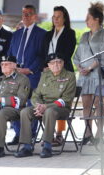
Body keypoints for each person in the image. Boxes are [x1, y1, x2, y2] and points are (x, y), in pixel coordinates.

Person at [14, 53, 76, 158]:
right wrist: (38, 106)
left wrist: (45, 107)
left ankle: (47, 146)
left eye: (59, 62)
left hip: (61, 108)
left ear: (63, 63)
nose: (56, 65)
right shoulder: (45, 75)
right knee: (25, 112)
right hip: (42, 106)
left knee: (49, 111)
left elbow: (66, 99)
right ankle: (27, 146)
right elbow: (36, 94)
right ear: (48, 65)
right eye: (53, 63)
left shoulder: (70, 76)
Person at [8, 4, 46, 145]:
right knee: (15, 104)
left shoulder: (41, 34)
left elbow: (42, 56)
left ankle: (30, 134)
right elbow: (10, 54)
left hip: (32, 75)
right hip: (16, 76)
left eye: (29, 14)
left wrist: (30, 69)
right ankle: (18, 134)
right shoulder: (16, 34)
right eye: (23, 14)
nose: (25, 16)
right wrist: (12, 67)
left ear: (35, 16)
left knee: (31, 105)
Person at [73, 2, 104, 145]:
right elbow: (77, 55)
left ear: (96, 19)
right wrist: (80, 67)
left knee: (99, 105)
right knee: (86, 105)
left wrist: (90, 68)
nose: (86, 21)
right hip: (84, 76)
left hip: (97, 75)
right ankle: (88, 134)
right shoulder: (84, 36)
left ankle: (100, 135)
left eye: (88, 18)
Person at [42, 6, 77, 146]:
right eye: (54, 17)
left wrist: (56, 65)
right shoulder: (47, 35)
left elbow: (68, 53)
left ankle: (59, 134)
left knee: (61, 101)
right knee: (48, 100)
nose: (55, 19)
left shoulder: (70, 33)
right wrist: (46, 66)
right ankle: (48, 134)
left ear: (64, 18)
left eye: (59, 17)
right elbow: (43, 53)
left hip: (64, 72)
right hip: (48, 72)